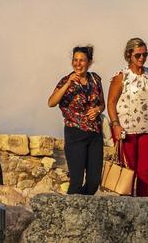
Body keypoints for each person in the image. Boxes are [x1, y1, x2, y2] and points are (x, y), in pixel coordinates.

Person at [108, 37, 148, 197]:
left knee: (145, 171)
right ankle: (127, 205)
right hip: (126, 130)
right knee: (129, 171)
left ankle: (143, 204)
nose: (142, 58)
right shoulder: (121, 76)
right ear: (129, 55)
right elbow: (111, 103)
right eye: (138, 55)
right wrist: (115, 125)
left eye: (145, 55)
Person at [48, 45, 105, 195]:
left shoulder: (95, 79)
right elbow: (51, 102)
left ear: (89, 62)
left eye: (82, 60)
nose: (78, 64)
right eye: (75, 60)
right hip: (75, 134)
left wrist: (98, 110)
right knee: (76, 180)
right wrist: (68, 84)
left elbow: (102, 103)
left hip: (95, 134)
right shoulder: (65, 81)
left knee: (94, 180)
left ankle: (83, 209)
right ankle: (70, 213)